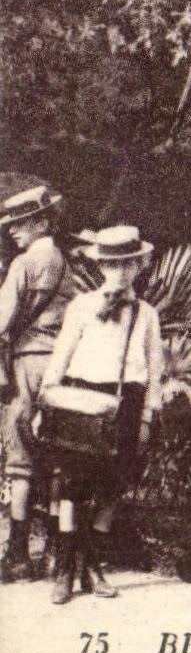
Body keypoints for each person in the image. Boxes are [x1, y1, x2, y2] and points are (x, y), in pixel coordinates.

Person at [39, 225, 164, 604]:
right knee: (73, 488)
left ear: (139, 265)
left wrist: (146, 417)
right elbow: (61, 355)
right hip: (82, 400)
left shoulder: (146, 314)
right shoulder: (80, 307)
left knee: (112, 487)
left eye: (128, 264)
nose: (121, 272)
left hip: (127, 402)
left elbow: (155, 370)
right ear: (101, 266)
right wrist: (46, 397)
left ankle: (92, 567)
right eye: (113, 264)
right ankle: (64, 569)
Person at [0, 179, 75, 581]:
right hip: (64, 367)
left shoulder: (23, 264)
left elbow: (1, 321)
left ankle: (16, 557)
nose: (13, 230)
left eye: (22, 222)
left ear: (43, 222)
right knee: (59, 459)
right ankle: (54, 554)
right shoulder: (67, 264)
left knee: (21, 462)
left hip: (28, 364)